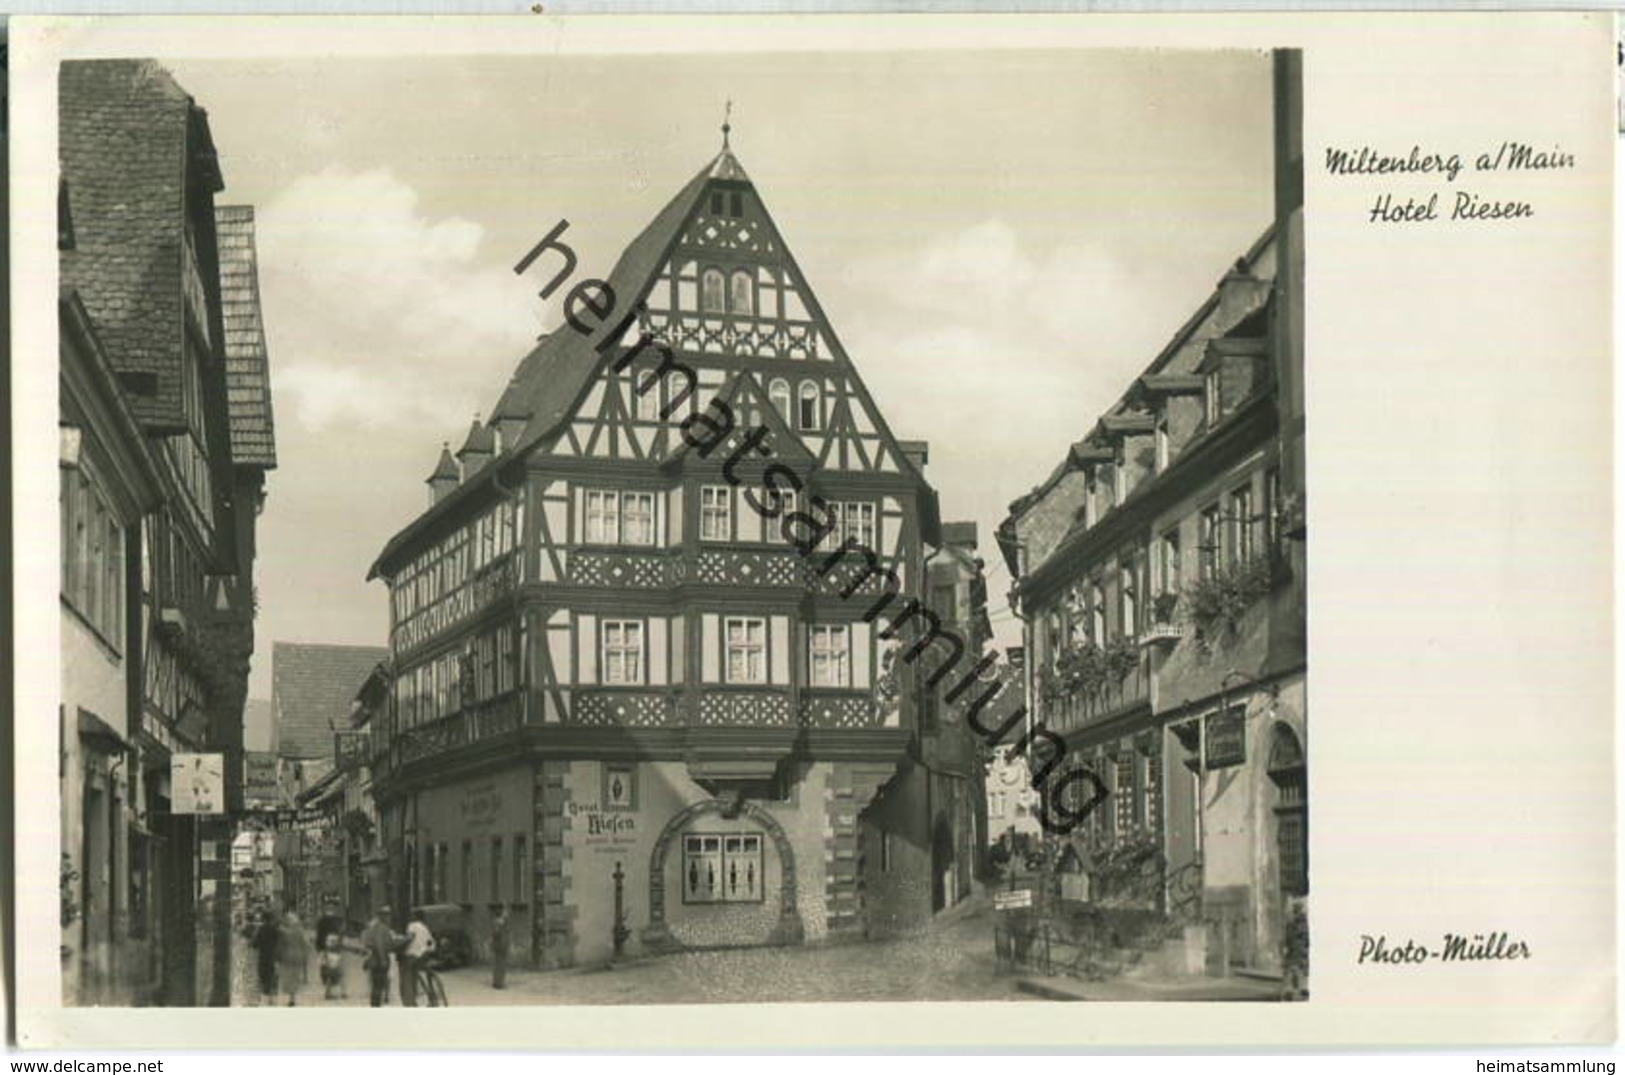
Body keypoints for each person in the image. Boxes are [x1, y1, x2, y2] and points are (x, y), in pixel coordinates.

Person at [360, 906, 397, 1008]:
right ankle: (376, 1006)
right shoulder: (382, 928)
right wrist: (383, 960)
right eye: (387, 915)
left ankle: (375, 1005)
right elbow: (379, 944)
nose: (389, 918)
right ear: (383, 916)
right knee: (378, 985)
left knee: (376, 984)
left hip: (374, 959)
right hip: (378, 959)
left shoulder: (375, 927)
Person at [398, 908, 435, 1007]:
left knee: (406, 976)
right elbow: (431, 943)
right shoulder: (425, 928)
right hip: (423, 956)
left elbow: (409, 938)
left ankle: (410, 1002)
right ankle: (431, 998)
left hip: (412, 956)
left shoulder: (412, 926)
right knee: (417, 973)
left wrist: (400, 942)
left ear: (414, 917)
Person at [277, 910, 311, 1007]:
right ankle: (292, 998)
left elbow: (281, 944)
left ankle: (291, 998)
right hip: (298, 957)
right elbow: (307, 944)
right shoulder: (300, 931)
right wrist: (305, 954)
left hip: (287, 957)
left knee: (288, 977)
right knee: (295, 977)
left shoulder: (285, 932)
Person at [251, 909, 280, 1006]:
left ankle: (265, 1000)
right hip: (273, 957)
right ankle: (273, 1000)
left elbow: (254, 944)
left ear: (263, 919)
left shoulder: (260, 930)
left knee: (263, 979)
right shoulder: (275, 930)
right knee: (273, 978)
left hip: (263, 957)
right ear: (271, 919)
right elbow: (279, 943)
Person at [490, 905, 509, 990]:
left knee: (498, 965)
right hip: (500, 946)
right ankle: (499, 983)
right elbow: (497, 934)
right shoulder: (499, 923)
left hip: (500, 946)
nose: (505, 914)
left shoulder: (499, 922)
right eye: (504, 912)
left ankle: (497, 982)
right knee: (500, 965)